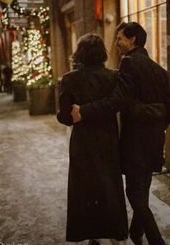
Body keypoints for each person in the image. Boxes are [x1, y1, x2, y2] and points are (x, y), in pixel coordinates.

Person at [71, 22, 170, 245]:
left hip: (136, 142)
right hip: (155, 140)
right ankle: (136, 233)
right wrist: (157, 127)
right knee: (142, 191)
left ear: (132, 40)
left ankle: (157, 241)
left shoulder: (128, 63)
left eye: (120, 39)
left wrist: (85, 111)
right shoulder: (160, 70)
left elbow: (117, 100)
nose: (117, 43)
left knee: (135, 195)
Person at [57, 33, 128, 244]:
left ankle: (91, 235)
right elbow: (117, 105)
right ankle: (115, 231)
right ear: (102, 54)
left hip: (83, 143)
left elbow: (65, 118)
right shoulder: (113, 77)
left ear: (80, 54)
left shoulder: (69, 79)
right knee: (109, 185)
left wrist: (74, 114)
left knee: (84, 188)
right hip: (108, 140)